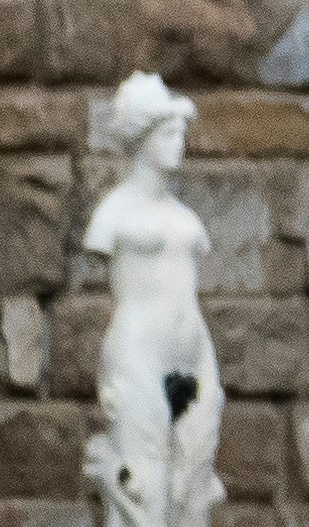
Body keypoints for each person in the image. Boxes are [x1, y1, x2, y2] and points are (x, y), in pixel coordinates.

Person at [82, 74, 223, 527]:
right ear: (142, 139)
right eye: (168, 133)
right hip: (138, 353)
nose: (179, 144)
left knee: (194, 487)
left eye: (181, 134)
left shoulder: (187, 219)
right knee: (143, 489)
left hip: (194, 354)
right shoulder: (114, 213)